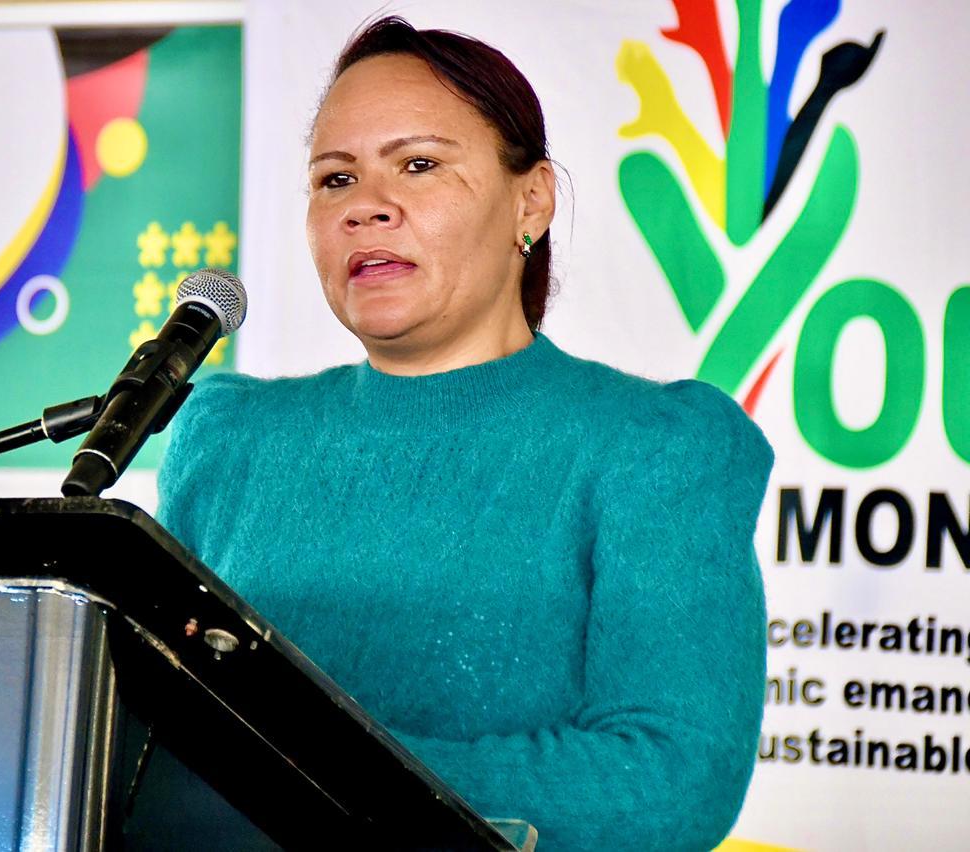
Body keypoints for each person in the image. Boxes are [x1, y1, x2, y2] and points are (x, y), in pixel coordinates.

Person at [157, 16, 773, 851]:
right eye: (335, 179)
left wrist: (303, 764)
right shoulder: (229, 438)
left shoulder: (654, 448)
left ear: (532, 200)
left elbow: (668, 782)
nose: (366, 207)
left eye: (418, 165)